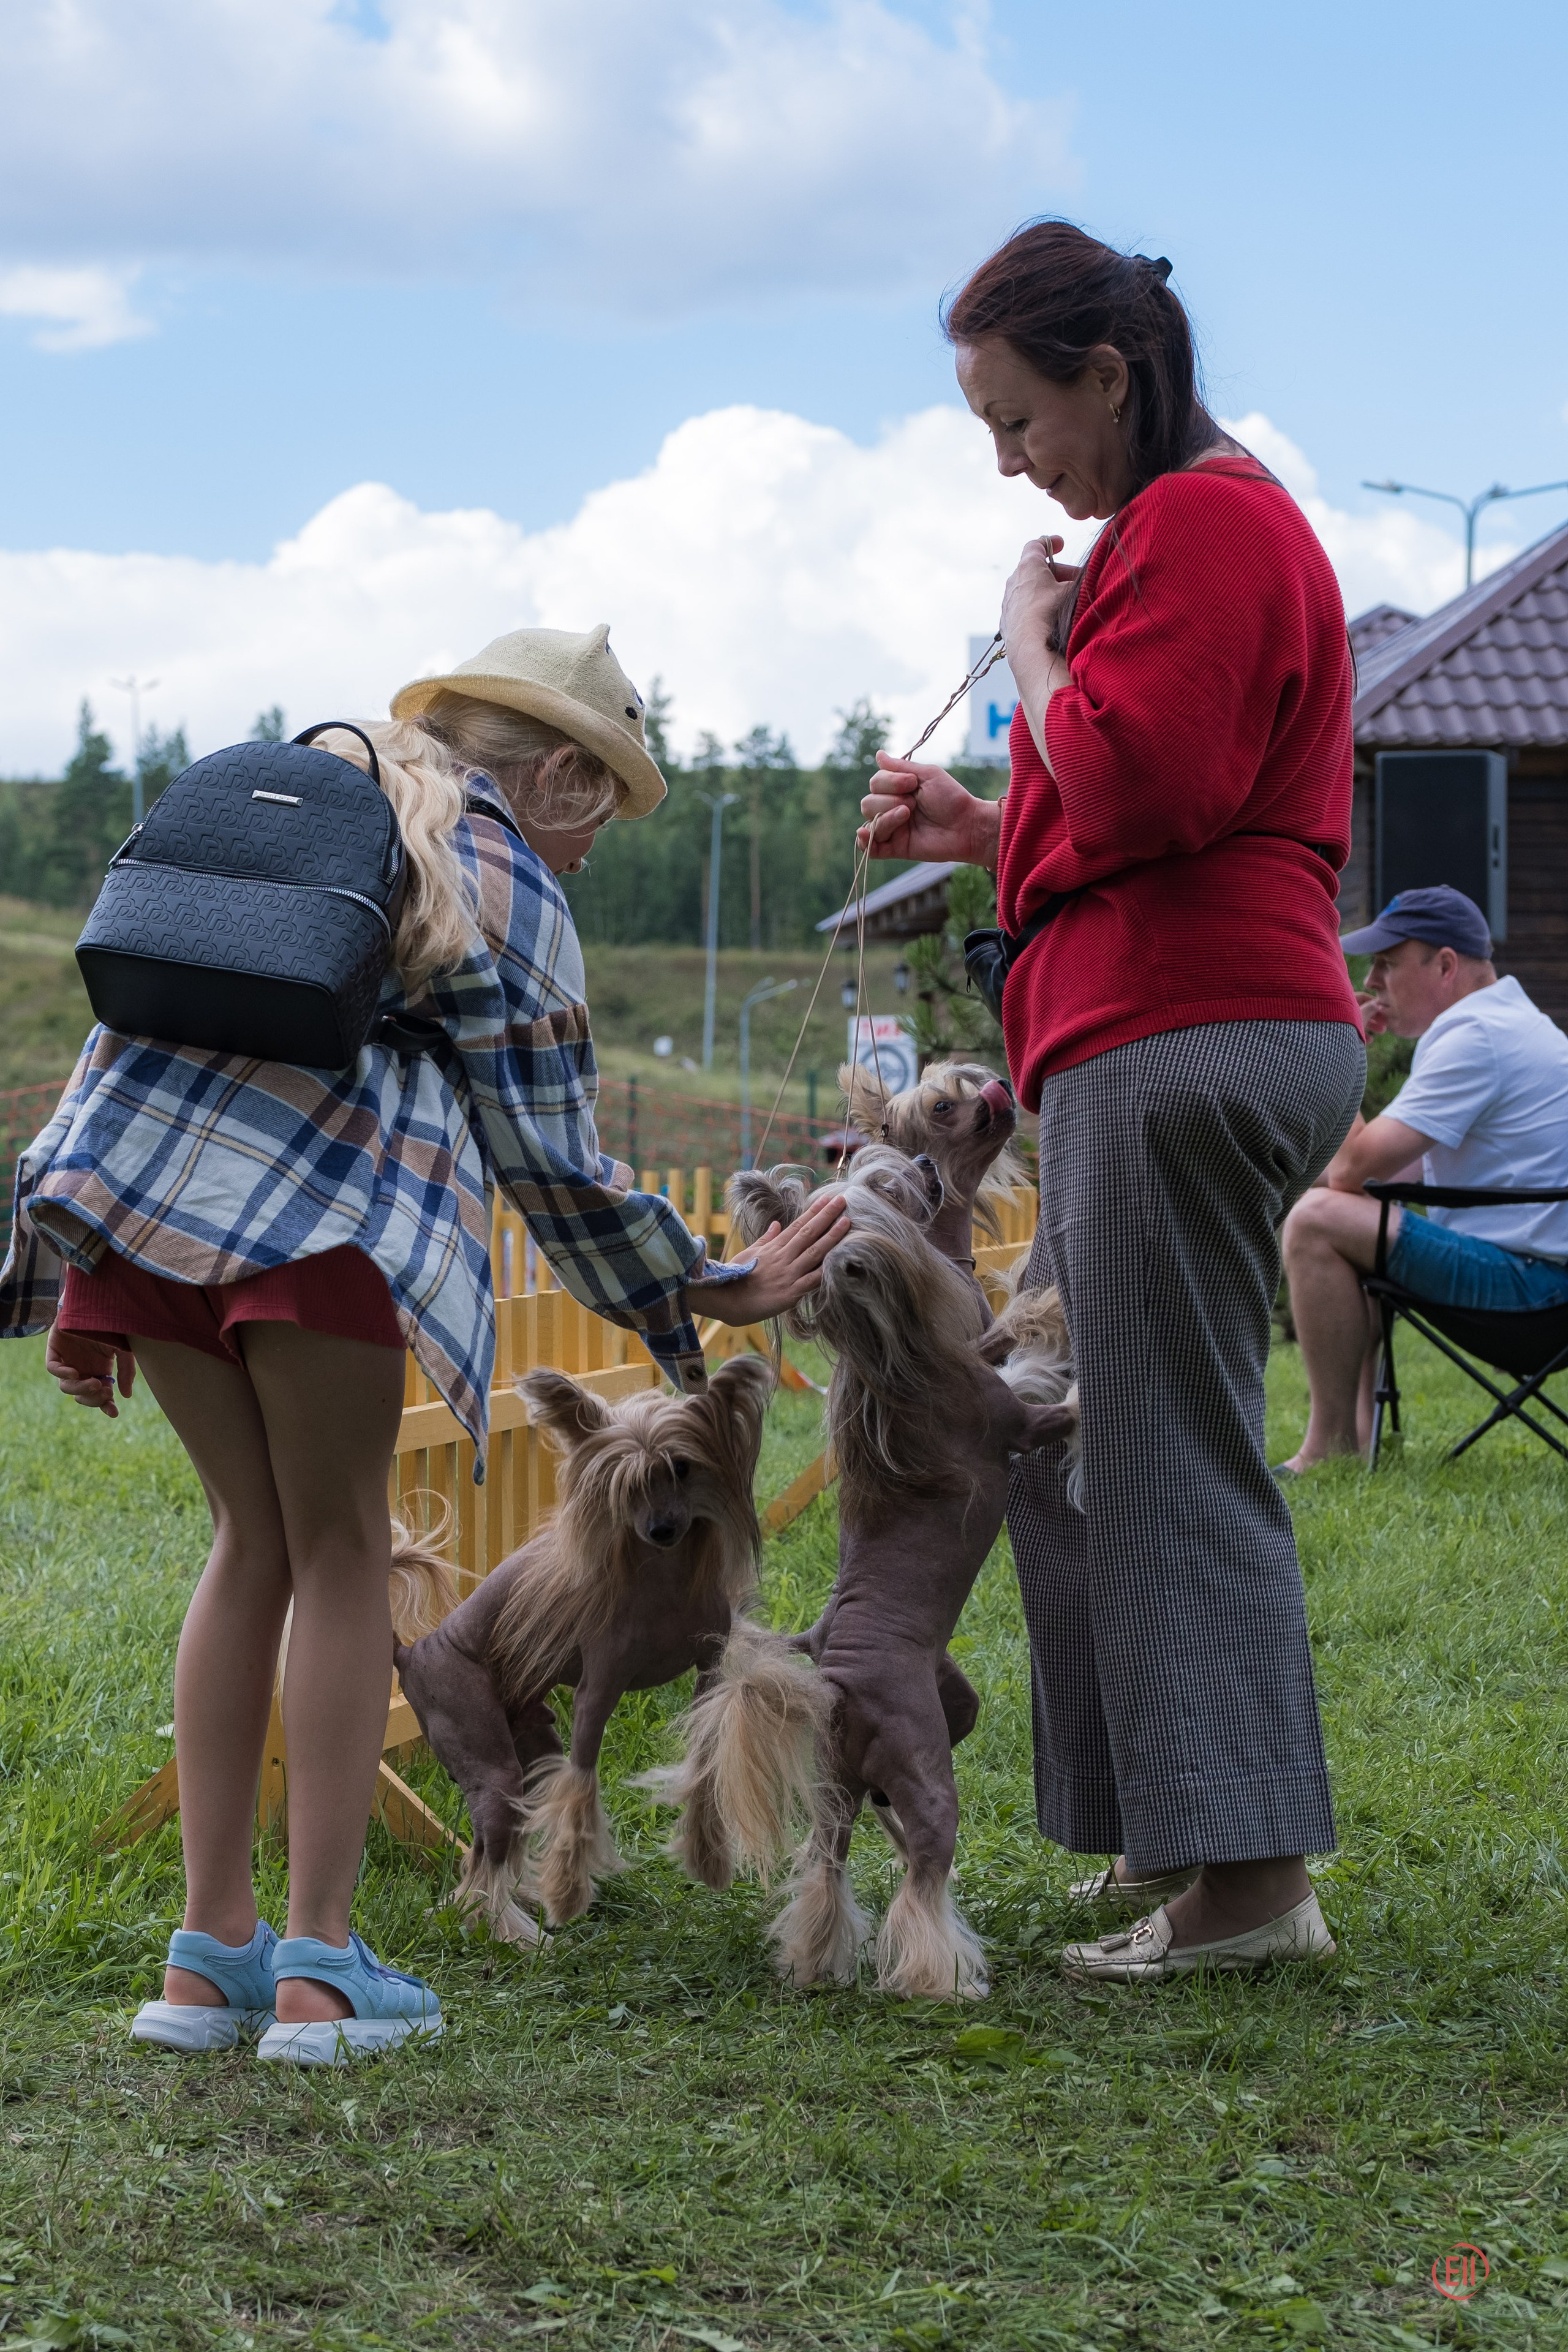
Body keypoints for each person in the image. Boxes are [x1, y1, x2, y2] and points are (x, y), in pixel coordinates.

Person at [1, 625, 845, 2062]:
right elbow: (554, 1166)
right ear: (560, 771)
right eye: (604, 813)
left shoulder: (285, 795)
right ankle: (323, 1971)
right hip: (327, 1221)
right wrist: (713, 1284)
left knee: (244, 1545)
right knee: (338, 1551)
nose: (590, 855)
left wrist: (80, 1278)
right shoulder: (498, 866)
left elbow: (132, 1038)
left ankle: (207, 1961)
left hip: (141, 1217)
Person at [856, 221, 1365, 1982]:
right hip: (1151, 1027)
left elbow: (1138, 780)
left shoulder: (1208, 525)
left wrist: (1021, 640)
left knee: (1157, 1450)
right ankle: (1186, 1833)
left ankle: (1247, 1884)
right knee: (1063, 1436)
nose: (1012, 464)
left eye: (1017, 419)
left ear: (1108, 376)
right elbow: (1143, 809)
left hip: (1190, 1034)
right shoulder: (1172, 535)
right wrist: (977, 830)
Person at [1279, 886, 1568, 1469]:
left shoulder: (1477, 1037)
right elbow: (1364, 1181)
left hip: (1536, 1294)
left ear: (1445, 965)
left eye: (1388, 963)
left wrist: (1343, 1045)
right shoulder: (1504, 1024)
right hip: (1547, 1286)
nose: (1374, 979)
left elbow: (1348, 1170)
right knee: (1339, 1218)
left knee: (1314, 1221)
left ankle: (1330, 1449)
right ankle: (1351, 1438)